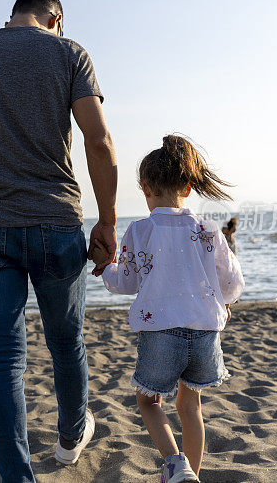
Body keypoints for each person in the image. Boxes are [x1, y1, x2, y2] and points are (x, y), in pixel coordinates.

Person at [0, 0, 117, 482]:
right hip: (56, 221)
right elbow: (98, 140)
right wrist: (106, 220)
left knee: (4, 357)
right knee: (67, 341)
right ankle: (70, 435)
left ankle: (17, 477)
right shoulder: (68, 53)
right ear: (55, 18)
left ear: (13, 15)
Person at [89, 135, 244, 483]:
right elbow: (233, 281)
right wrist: (225, 303)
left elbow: (125, 283)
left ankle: (176, 465)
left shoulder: (141, 230)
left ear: (145, 188)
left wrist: (105, 266)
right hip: (205, 333)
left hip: (161, 333)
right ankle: (193, 476)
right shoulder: (207, 229)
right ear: (188, 188)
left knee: (148, 403)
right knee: (191, 407)